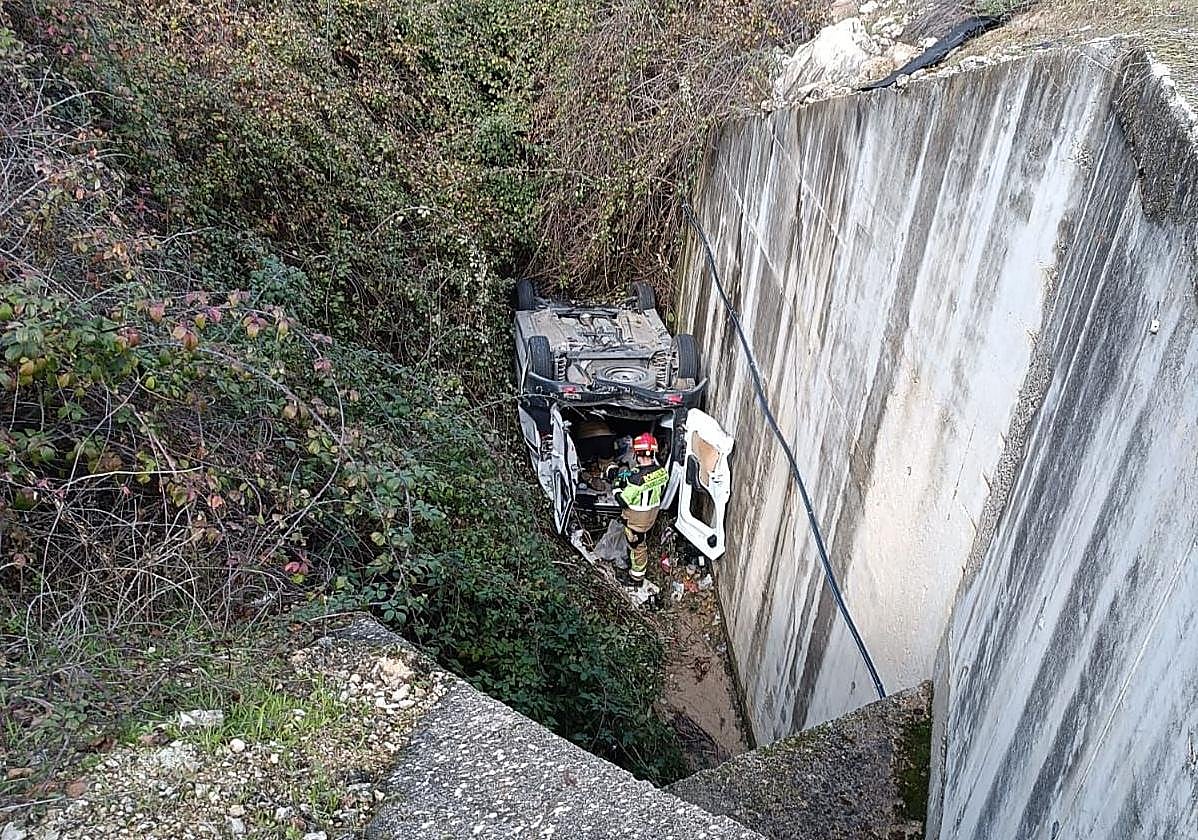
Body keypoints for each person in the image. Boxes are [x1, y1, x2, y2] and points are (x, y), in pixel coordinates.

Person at [609, 432, 668, 586]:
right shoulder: (662, 472)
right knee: (638, 543)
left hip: (637, 522)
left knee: (638, 548)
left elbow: (622, 501)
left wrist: (616, 486)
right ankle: (634, 564)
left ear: (636, 454)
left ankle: (636, 578)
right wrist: (629, 475)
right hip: (651, 517)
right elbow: (647, 479)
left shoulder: (636, 480)